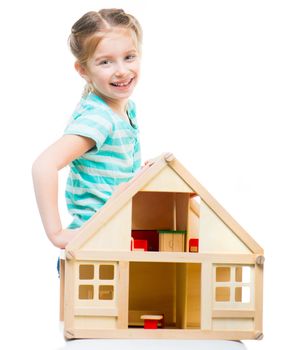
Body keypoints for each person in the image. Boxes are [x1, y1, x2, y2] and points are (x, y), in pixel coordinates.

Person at [32, 9, 142, 249]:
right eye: (105, 62)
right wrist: (57, 234)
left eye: (129, 57)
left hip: (113, 238)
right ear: (83, 70)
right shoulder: (99, 118)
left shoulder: (125, 110)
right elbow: (44, 165)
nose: (121, 70)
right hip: (94, 242)